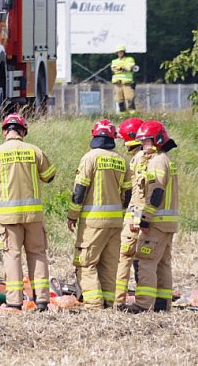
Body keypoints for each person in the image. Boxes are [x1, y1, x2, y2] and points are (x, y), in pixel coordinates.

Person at [0, 113, 56, 311]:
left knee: (12, 256)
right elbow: (49, 175)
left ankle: (14, 301)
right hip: (33, 217)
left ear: (5, 131)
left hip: (8, 217)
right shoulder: (34, 151)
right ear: (23, 131)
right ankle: (41, 300)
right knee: (37, 254)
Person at [67, 120, 131, 309]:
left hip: (93, 221)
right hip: (115, 222)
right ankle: (111, 302)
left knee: (85, 263)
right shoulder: (122, 160)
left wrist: (72, 215)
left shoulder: (90, 158)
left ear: (95, 136)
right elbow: (128, 194)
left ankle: (94, 304)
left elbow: (80, 190)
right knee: (110, 264)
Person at [125, 120, 180, 313]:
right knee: (163, 262)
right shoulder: (166, 160)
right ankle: (162, 304)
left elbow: (155, 193)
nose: (143, 145)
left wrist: (144, 218)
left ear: (156, 140)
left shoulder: (156, 162)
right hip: (168, 223)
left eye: (146, 141)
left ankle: (142, 303)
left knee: (145, 260)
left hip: (156, 222)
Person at [114, 117, 146, 307]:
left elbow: (139, 193)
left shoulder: (139, 160)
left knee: (124, 256)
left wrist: (136, 218)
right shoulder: (149, 157)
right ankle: (151, 300)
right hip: (147, 218)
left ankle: (117, 300)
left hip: (136, 217)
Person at [111, 44, 138, 116]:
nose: (120, 53)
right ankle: (122, 115)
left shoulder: (129, 59)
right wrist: (123, 68)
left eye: (121, 52)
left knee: (129, 98)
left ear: (124, 52)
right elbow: (114, 69)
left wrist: (121, 68)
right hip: (117, 83)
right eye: (118, 52)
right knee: (119, 99)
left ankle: (133, 115)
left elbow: (129, 67)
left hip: (127, 83)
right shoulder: (114, 61)